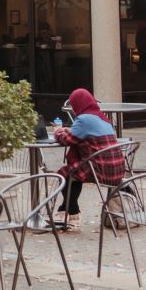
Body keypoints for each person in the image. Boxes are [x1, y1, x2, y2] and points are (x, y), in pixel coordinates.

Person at [53, 88, 123, 232]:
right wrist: (70, 130)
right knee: (75, 171)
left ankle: (72, 214)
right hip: (118, 170)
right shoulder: (102, 118)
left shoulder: (83, 119)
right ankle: (65, 211)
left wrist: (58, 132)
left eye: (73, 105)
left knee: (65, 174)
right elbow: (83, 134)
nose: (72, 109)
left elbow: (67, 140)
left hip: (100, 169)